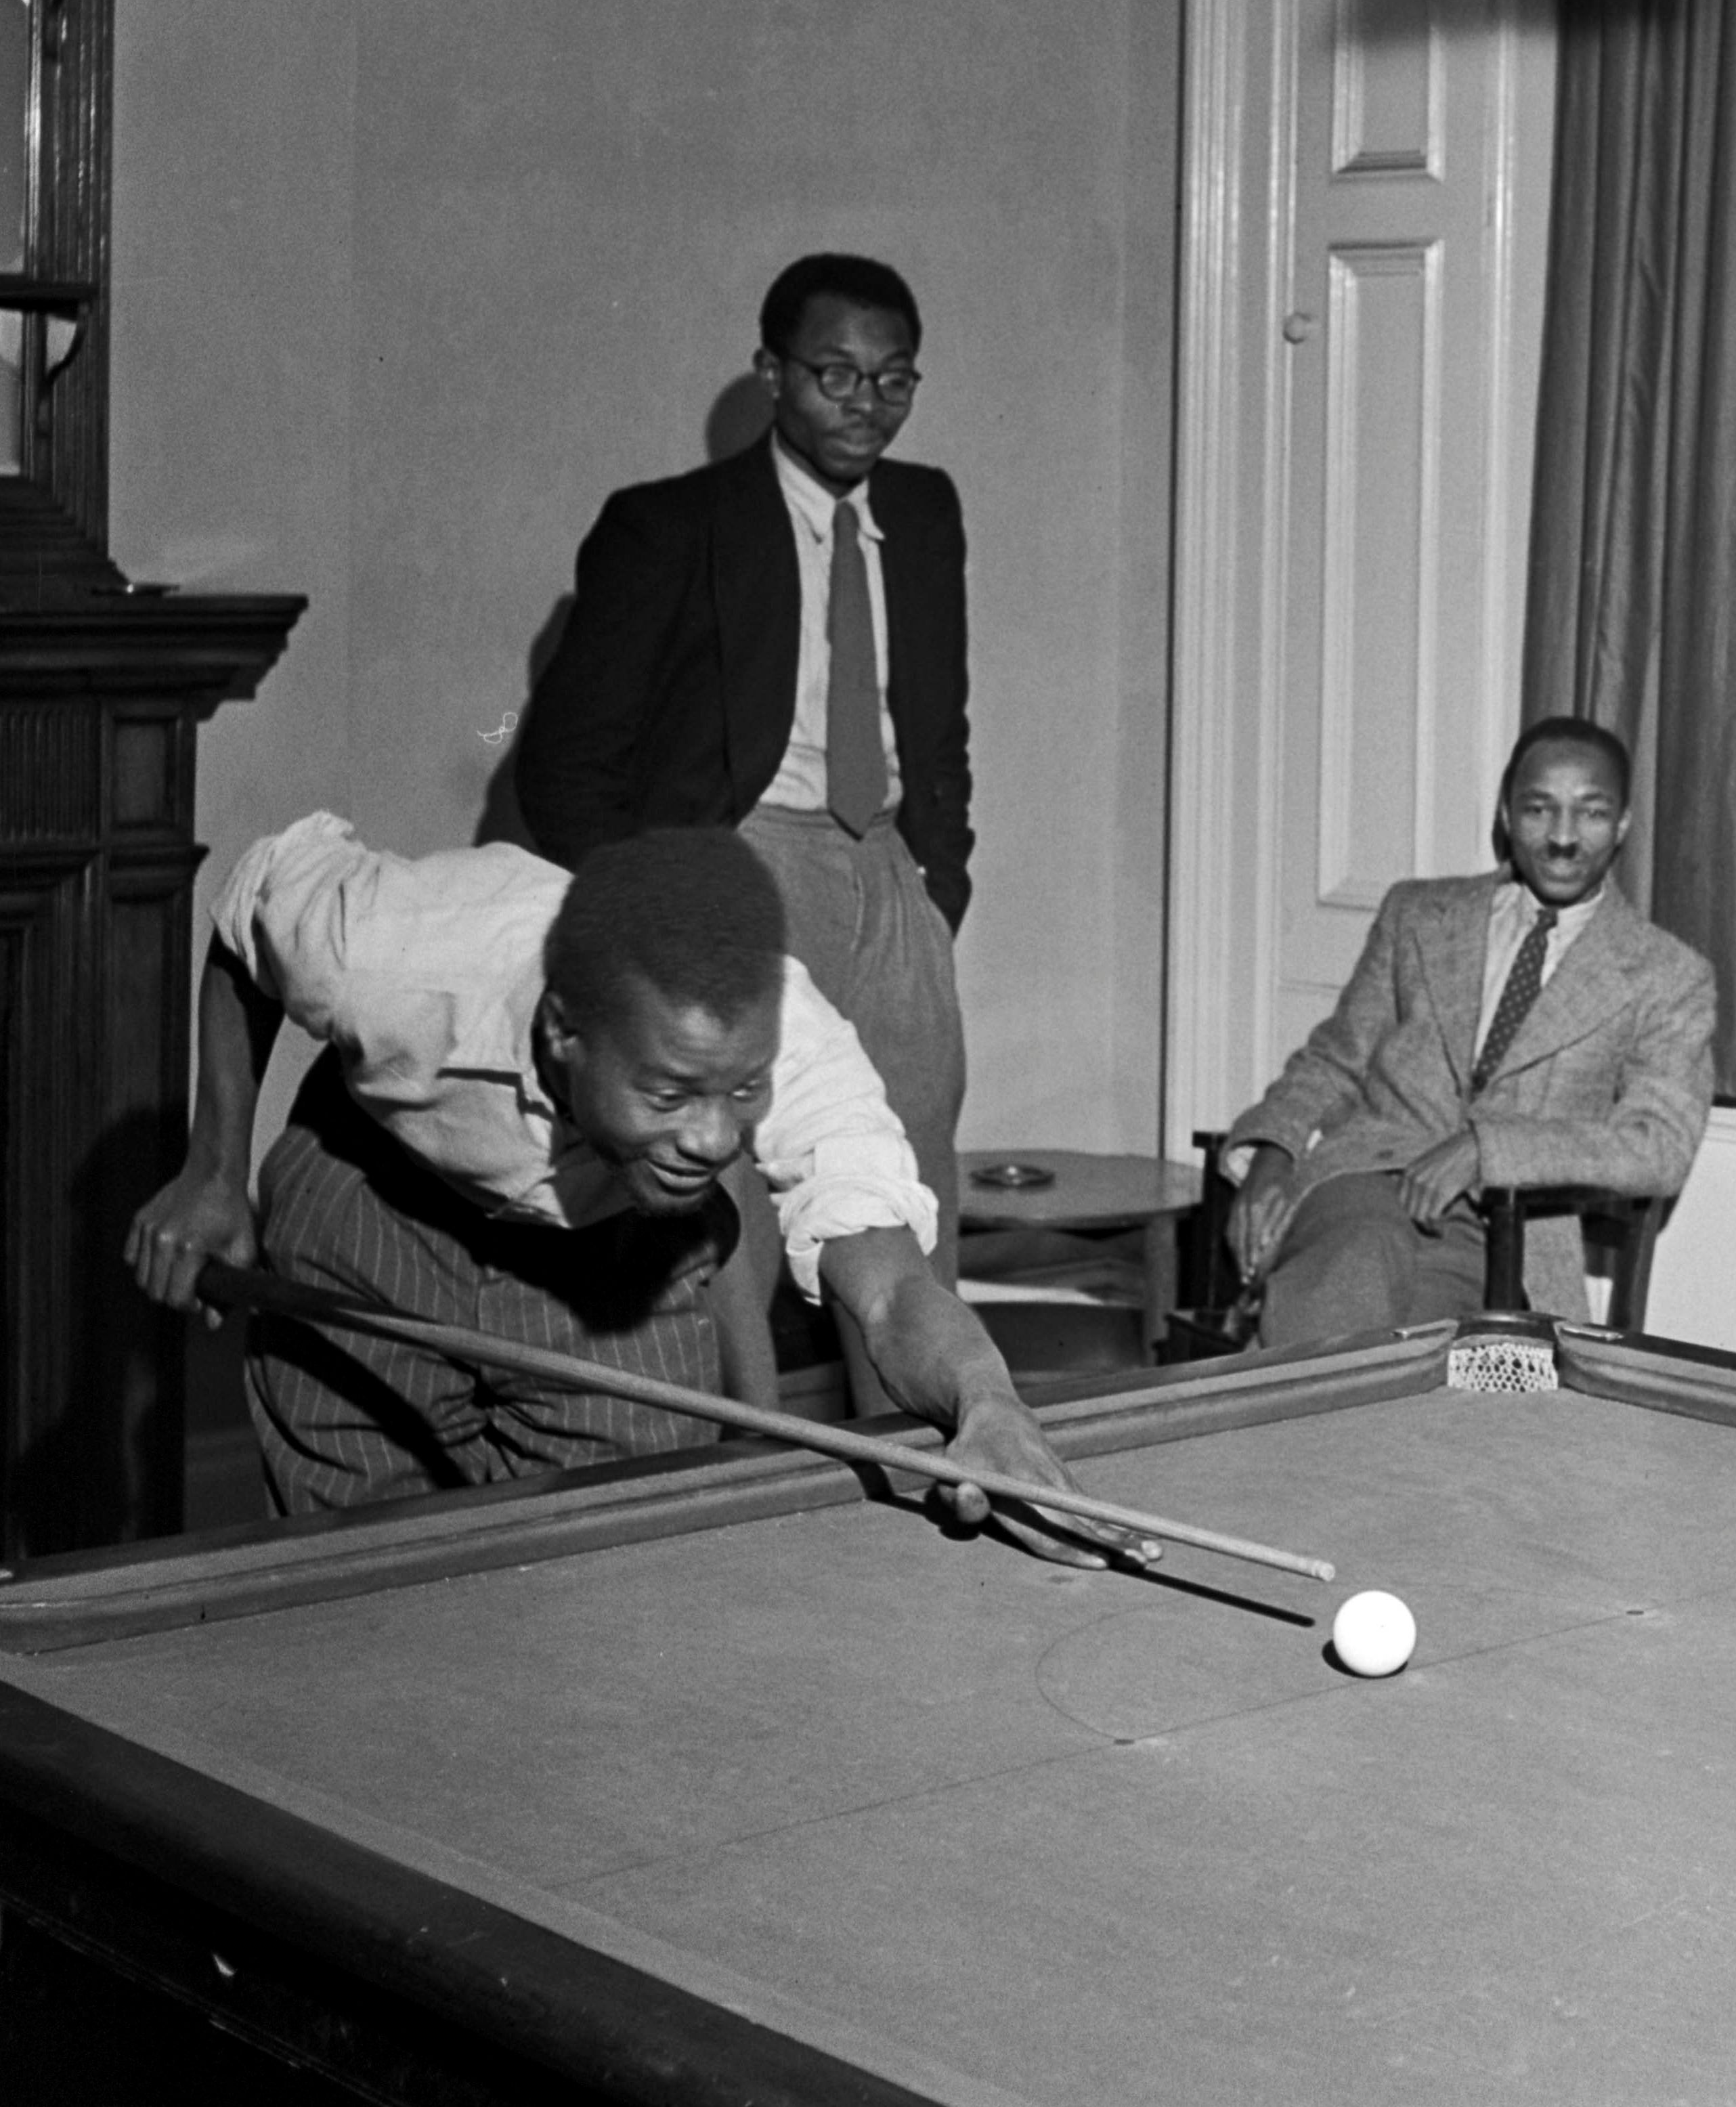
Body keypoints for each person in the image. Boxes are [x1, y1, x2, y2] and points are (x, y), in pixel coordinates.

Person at [124, 816, 1089, 1549]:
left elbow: (889, 1292)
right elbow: (252, 899)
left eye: (740, 1090)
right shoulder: (402, 951)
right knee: (369, 1619)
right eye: (670, 1091)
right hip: (365, 1228)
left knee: (628, 1607)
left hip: (617, 1276)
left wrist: (984, 1396)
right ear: (563, 1038)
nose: (715, 1139)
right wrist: (213, 1170)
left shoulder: (793, 1035)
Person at [515, 253, 971, 1402]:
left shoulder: (924, 511)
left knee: (905, 1172)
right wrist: (659, 919)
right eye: (834, 374)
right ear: (771, 372)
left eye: (893, 380)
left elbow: (940, 719)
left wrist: (939, 877)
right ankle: (749, 1443)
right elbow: (567, 764)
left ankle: (919, 1454)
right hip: (742, 853)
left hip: (886, 859)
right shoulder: (672, 525)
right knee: (737, 1179)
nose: (864, 405)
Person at [1220, 718, 1716, 1347]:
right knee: (1358, 1262)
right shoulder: (1421, 915)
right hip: (1365, 1184)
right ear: (1507, 815)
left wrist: (1489, 1149)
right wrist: (1272, 1152)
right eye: (1540, 809)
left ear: (1621, 824)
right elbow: (1335, 1060)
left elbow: (1658, 1147)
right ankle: (1289, 1429)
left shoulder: (1667, 974)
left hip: (1504, 1235)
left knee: (1428, 1346)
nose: (1564, 838)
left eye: (1591, 813)